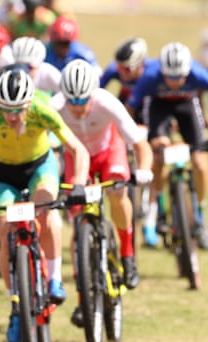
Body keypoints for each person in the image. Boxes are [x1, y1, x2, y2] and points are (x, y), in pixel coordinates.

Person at [0, 68, 89, 342]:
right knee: (4, 233)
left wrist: (80, 183)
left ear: (29, 103)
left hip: (40, 168)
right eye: (6, 110)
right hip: (4, 175)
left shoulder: (42, 109)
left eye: (18, 110)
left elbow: (78, 149)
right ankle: (16, 304)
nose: (12, 117)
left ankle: (55, 280)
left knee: (46, 215)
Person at [50, 59, 153, 326]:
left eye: (82, 100)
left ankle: (128, 255)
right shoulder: (56, 107)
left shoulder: (106, 101)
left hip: (109, 153)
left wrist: (143, 170)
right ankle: (83, 299)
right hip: (77, 158)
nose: (77, 107)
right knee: (77, 219)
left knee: (118, 192)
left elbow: (141, 144)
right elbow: (43, 146)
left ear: (92, 94)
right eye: (72, 101)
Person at [127, 42, 208, 249]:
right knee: (159, 153)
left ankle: (200, 216)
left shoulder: (197, 73)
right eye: (169, 77)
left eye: (179, 77)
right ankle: (159, 209)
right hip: (159, 108)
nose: (174, 82)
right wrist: (134, 132)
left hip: (187, 107)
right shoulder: (150, 76)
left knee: (200, 162)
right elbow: (129, 108)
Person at [100, 37, 152, 125]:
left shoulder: (150, 74)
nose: (122, 72)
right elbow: (96, 92)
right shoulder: (113, 69)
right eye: (119, 67)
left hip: (146, 105)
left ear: (140, 64)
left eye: (127, 69)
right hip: (125, 99)